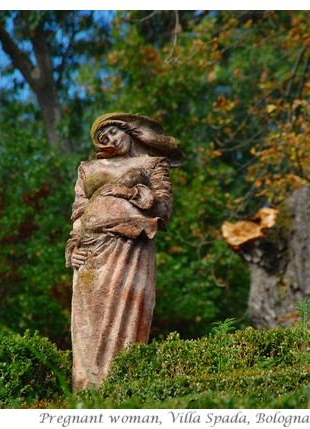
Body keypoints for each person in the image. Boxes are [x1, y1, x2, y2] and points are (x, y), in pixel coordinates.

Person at [65, 112, 182, 391]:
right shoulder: (87, 169)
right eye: (103, 138)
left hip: (130, 246)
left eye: (114, 133)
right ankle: (86, 392)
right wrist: (72, 248)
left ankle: (120, 389)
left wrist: (127, 192)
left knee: (125, 317)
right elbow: (77, 214)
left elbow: (162, 208)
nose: (111, 141)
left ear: (129, 130)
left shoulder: (152, 163)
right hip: (90, 250)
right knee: (87, 323)